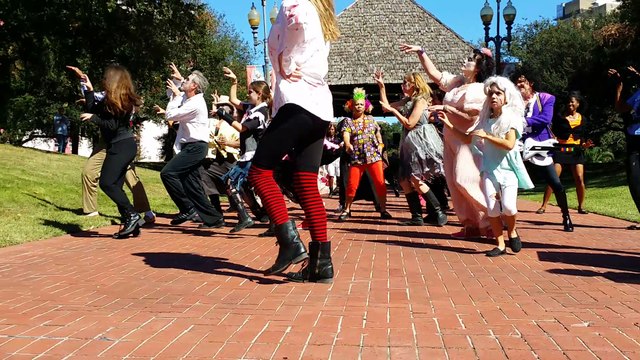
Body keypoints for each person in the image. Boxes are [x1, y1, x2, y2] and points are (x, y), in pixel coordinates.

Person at [247, 0, 340, 284]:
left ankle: (289, 243)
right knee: (305, 181)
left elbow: (296, 22)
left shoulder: (295, 3)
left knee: (259, 171)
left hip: (298, 102)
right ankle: (321, 265)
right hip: (320, 106)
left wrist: (286, 62)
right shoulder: (322, 11)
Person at [400, 44, 494, 238]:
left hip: (467, 139)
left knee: (464, 178)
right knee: (453, 182)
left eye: (470, 59)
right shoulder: (458, 82)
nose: (464, 60)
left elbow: (472, 115)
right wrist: (421, 52)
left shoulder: (478, 89)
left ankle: (494, 217)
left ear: (478, 68)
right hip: (450, 137)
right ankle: (471, 225)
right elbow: (435, 75)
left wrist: (446, 109)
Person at [439, 76, 534, 256]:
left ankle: (512, 231)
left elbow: (509, 144)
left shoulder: (511, 119)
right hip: (489, 171)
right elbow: (468, 138)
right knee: (492, 208)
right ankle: (500, 244)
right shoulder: (484, 121)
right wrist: (449, 124)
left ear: (506, 97)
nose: (494, 97)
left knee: (509, 207)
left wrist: (488, 136)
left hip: (508, 172)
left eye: (498, 93)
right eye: (491, 93)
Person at [155, 64, 225, 229]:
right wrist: (179, 81)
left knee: (168, 173)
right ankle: (214, 218)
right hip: (191, 147)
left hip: (196, 147)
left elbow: (171, 114)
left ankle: (187, 208)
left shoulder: (195, 103)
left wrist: (175, 96)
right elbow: (177, 93)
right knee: (191, 185)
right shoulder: (190, 99)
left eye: (187, 80)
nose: (184, 81)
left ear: (194, 86)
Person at [79, 65, 145, 238]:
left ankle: (132, 215)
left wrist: (93, 119)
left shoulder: (123, 101)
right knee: (116, 185)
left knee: (107, 183)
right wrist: (89, 90)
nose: (105, 80)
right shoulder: (113, 99)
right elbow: (92, 107)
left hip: (122, 146)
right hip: (120, 145)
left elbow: (112, 125)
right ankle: (131, 223)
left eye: (107, 78)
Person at [376, 70, 447, 226]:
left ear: (415, 84)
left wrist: (395, 111)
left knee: (414, 178)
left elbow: (409, 123)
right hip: (408, 142)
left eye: (406, 83)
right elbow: (385, 107)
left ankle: (438, 211)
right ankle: (417, 216)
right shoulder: (408, 100)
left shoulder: (420, 101)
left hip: (419, 141)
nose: (403, 85)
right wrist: (381, 87)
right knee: (403, 180)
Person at [511, 67, 574, 232]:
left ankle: (565, 215)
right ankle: (507, 218)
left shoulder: (546, 98)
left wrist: (522, 121)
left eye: (522, 82)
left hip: (539, 145)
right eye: (516, 82)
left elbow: (545, 118)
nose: (519, 85)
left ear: (531, 83)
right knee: (508, 182)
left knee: (554, 182)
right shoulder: (510, 101)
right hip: (517, 144)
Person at [217, 67, 271, 233]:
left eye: (250, 92)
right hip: (248, 155)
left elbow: (241, 128)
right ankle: (261, 215)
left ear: (259, 94)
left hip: (253, 156)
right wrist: (234, 81)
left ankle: (247, 217)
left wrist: (223, 115)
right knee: (246, 187)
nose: (248, 94)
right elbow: (234, 100)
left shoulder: (260, 113)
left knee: (230, 182)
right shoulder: (251, 107)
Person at [338, 87, 392, 221]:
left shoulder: (371, 119)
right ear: (351, 105)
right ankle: (347, 209)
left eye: (362, 104)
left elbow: (377, 132)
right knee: (351, 184)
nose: (359, 106)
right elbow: (346, 134)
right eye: (356, 104)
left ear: (365, 106)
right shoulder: (348, 121)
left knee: (380, 183)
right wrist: (347, 144)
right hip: (357, 157)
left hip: (373, 156)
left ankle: (383, 209)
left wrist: (380, 144)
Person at [538, 91, 589, 214]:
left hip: (576, 151)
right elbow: (551, 129)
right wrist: (553, 138)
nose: (570, 104)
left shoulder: (583, 119)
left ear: (578, 103)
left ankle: (581, 206)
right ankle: (543, 205)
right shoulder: (560, 117)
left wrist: (584, 144)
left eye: (572, 101)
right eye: (568, 102)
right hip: (561, 149)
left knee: (579, 178)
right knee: (554, 178)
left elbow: (583, 136)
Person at [198, 94, 240, 215]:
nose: (222, 108)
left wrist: (229, 143)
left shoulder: (235, 124)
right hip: (216, 158)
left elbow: (242, 143)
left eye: (225, 106)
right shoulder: (212, 122)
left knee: (234, 187)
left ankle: (255, 213)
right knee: (205, 175)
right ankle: (216, 212)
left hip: (231, 159)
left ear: (231, 110)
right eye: (220, 106)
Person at [609, 66, 640, 230]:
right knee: (634, 181)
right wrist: (619, 84)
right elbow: (620, 108)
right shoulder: (638, 94)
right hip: (635, 140)